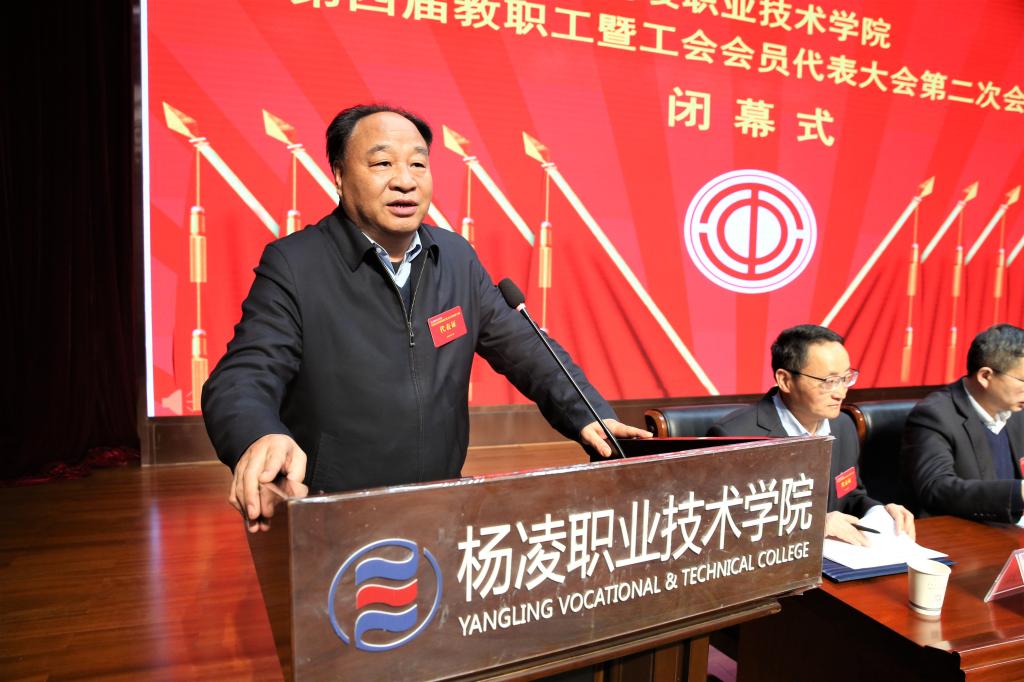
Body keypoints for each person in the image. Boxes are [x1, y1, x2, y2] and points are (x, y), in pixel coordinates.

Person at [202, 104, 650, 531]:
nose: (405, 181)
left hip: (442, 503)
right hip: (335, 512)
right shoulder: (296, 264)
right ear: (339, 174)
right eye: (382, 164)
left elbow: (524, 348)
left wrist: (589, 415)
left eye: (418, 164)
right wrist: (257, 435)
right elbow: (243, 375)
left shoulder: (455, 258)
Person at [707, 325, 915, 545]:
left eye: (846, 378)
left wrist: (879, 512)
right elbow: (724, 525)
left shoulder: (843, 426)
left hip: (836, 557)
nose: (840, 392)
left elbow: (849, 495)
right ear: (785, 380)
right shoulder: (735, 436)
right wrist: (814, 525)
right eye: (829, 382)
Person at [902, 324, 1024, 523]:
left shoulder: (1016, 409)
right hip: (965, 531)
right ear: (985, 376)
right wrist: (1018, 493)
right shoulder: (935, 415)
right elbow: (935, 488)